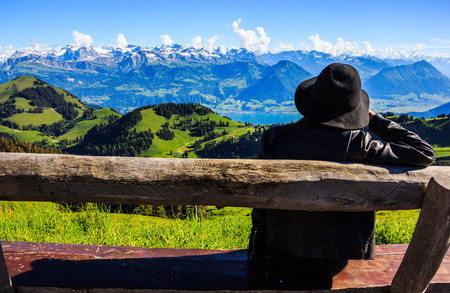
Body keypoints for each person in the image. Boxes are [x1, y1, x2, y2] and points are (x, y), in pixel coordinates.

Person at [247, 63, 436, 289]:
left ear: (312, 100)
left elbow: (259, 208)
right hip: (334, 260)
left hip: (280, 251)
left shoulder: (273, 139)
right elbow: (424, 152)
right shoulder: (361, 145)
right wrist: (375, 120)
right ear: (352, 110)